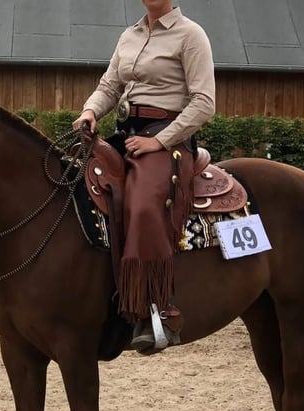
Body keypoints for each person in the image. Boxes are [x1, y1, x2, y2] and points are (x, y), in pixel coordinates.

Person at [72, 0, 215, 353]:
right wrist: (91, 111)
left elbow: (203, 103)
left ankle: (157, 309)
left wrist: (158, 141)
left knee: (144, 203)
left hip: (168, 139)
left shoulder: (191, 35)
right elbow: (109, 86)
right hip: (127, 134)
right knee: (74, 180)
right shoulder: (129, 35)